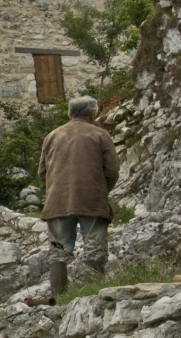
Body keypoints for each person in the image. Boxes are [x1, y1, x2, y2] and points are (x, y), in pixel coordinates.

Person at [38, 95, 120, 295]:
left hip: (57, 202)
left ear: (70, 114)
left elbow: (42, 172)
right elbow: (112, 170)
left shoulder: (52, 136)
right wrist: (102, 191)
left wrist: (57, 188)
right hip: (91, 201)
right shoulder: (100, 135)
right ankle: (92, 294)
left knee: (58, 252)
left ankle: (58, 297)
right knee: (94, 248)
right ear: (93, 113)